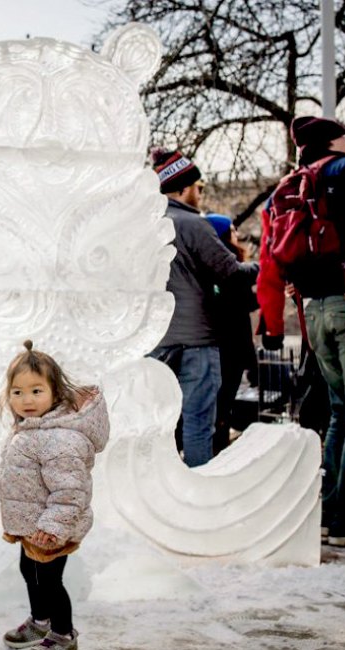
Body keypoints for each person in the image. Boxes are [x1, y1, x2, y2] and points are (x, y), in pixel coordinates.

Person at [258, 116, 345, 546]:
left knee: (339, 411)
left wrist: (274, 323)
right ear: (334, 140)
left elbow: (268, 261)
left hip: (313, 310)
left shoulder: (287, 187)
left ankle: (331, 510)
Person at [147, 149, 258, 468]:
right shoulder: (193, 224)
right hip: (198, 341)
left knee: (161, 427)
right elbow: (231, 273)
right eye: (198, 187)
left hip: (156, 342)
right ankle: (197, 495)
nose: (200, 193)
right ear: (182, 188)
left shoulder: (144, 227)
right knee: (198, 426)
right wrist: (262, 268)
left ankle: (161, 487)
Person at [0, 340, 108, 650]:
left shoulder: (60, 438)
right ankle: (39, 621)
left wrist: (53, 527)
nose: (26, 399)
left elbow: (70, 492)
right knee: (28, 570)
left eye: (36, 391)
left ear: (55, 393)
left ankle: (63, 634)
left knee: (49, 581)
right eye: (17, 392)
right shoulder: (34, 428)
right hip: (33, 525)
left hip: (51, 528)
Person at [203, 214, 257, 455]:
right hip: (232, 349)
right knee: (223, 407)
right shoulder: (232, 268)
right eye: (233, 230)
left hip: (212, 346)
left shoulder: (205, 266)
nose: (237, 235)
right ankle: (218, 453)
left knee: (215, 406)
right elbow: (242, 310)